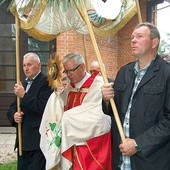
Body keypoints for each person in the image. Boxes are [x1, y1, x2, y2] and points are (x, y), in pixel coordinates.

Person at [102, 22, 170, 170]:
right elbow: (114, 112)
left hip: (151, 161)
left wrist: (138, 144)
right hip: (121, 159)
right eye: (132, 37)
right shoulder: (124, 72)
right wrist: (107, 100)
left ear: (154, 42)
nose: (133, 40)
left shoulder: (166, 74)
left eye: (139, 36)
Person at [60, 52, 112, 169]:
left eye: (71, 70)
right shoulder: (69, 87)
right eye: (66, 71)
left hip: (91, 143)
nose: (68, 75)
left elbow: (98, 114)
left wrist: (68, 119)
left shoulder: (98, 84)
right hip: (71, 141)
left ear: (82, 67)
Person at [6, 52, 53, 170]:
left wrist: (24, 95)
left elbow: (43, 107)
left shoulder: (47, 82)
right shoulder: (24, 82)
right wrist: (14, 115)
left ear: (38, 65)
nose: (26, 68)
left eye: (29, 65)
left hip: (37, 141)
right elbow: (13, 106)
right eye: (24, 65)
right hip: (23, 141)